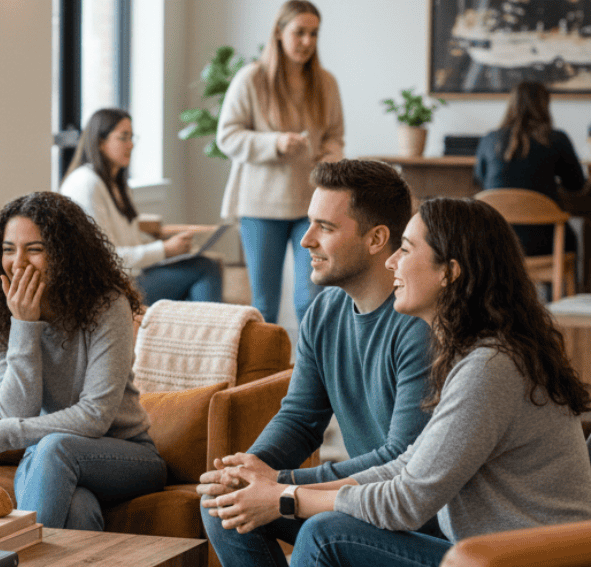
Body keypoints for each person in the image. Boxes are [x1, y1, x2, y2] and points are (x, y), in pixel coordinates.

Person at [205, 197, 591, 567]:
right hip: (483, 550)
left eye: (405, 250)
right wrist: (274, 485)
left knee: (327, 534)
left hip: (519, 558)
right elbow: (409, 465)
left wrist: (286, 497)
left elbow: (407, 500)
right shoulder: (474, 354)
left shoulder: (491, 367)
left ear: (449, 272)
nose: (391, 262)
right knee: (229, 505)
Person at [199, 159, 433, 566]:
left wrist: (278, 484)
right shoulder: (325, 312)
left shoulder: (419, 325)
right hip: (353, 500)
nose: (306, 240)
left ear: (377, 239)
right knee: (225, 506)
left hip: (413, 517)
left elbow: (401, 455)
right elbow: (299, 418)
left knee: (319, 529)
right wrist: (251, 472)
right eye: (310, 223)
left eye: (324, 227)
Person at [0, 191, 167, 531]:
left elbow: (96, 416)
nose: (19, 261)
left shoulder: (105, 305)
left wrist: (2, 434)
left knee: (55, 448)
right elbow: (16, 411)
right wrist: (24, 325)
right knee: (79, 507)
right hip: (44, 459)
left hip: (126, 454)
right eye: (9, 249)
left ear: (64, 254)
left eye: (34, 249)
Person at [218, 0, 344, 324]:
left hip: (311, 206)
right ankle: (265, 375)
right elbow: (227, 136)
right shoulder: (251, 79)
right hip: (261, 207)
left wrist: (328, 158)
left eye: (314, 34)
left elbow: (335, 137)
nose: (307, 42)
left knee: (311, 298)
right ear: (278, 32)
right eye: (299, 32)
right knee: (265, 305)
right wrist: (274, 143)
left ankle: (311, 374)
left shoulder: (326, 83)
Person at [60, 108, 223, 305]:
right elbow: (104, 258)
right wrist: (164, 250)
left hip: (128, 277)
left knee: (199, 270)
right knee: (206, 269)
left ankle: (197, 332)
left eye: (132, 137)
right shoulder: (85, 184)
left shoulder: (117, 185)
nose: (130, 145)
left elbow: (130, 242)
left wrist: (173, 248)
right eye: (123, 137)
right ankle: (212, 332)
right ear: (100, 142)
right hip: (107, 287)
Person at [474, 80, 585, 258]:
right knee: (570, 236)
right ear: (545, 106)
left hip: (496, 240)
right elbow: (576, 185)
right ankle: (557, 286)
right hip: (544, 243)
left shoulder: (489, 139)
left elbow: (480, 180)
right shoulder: (557, 139)